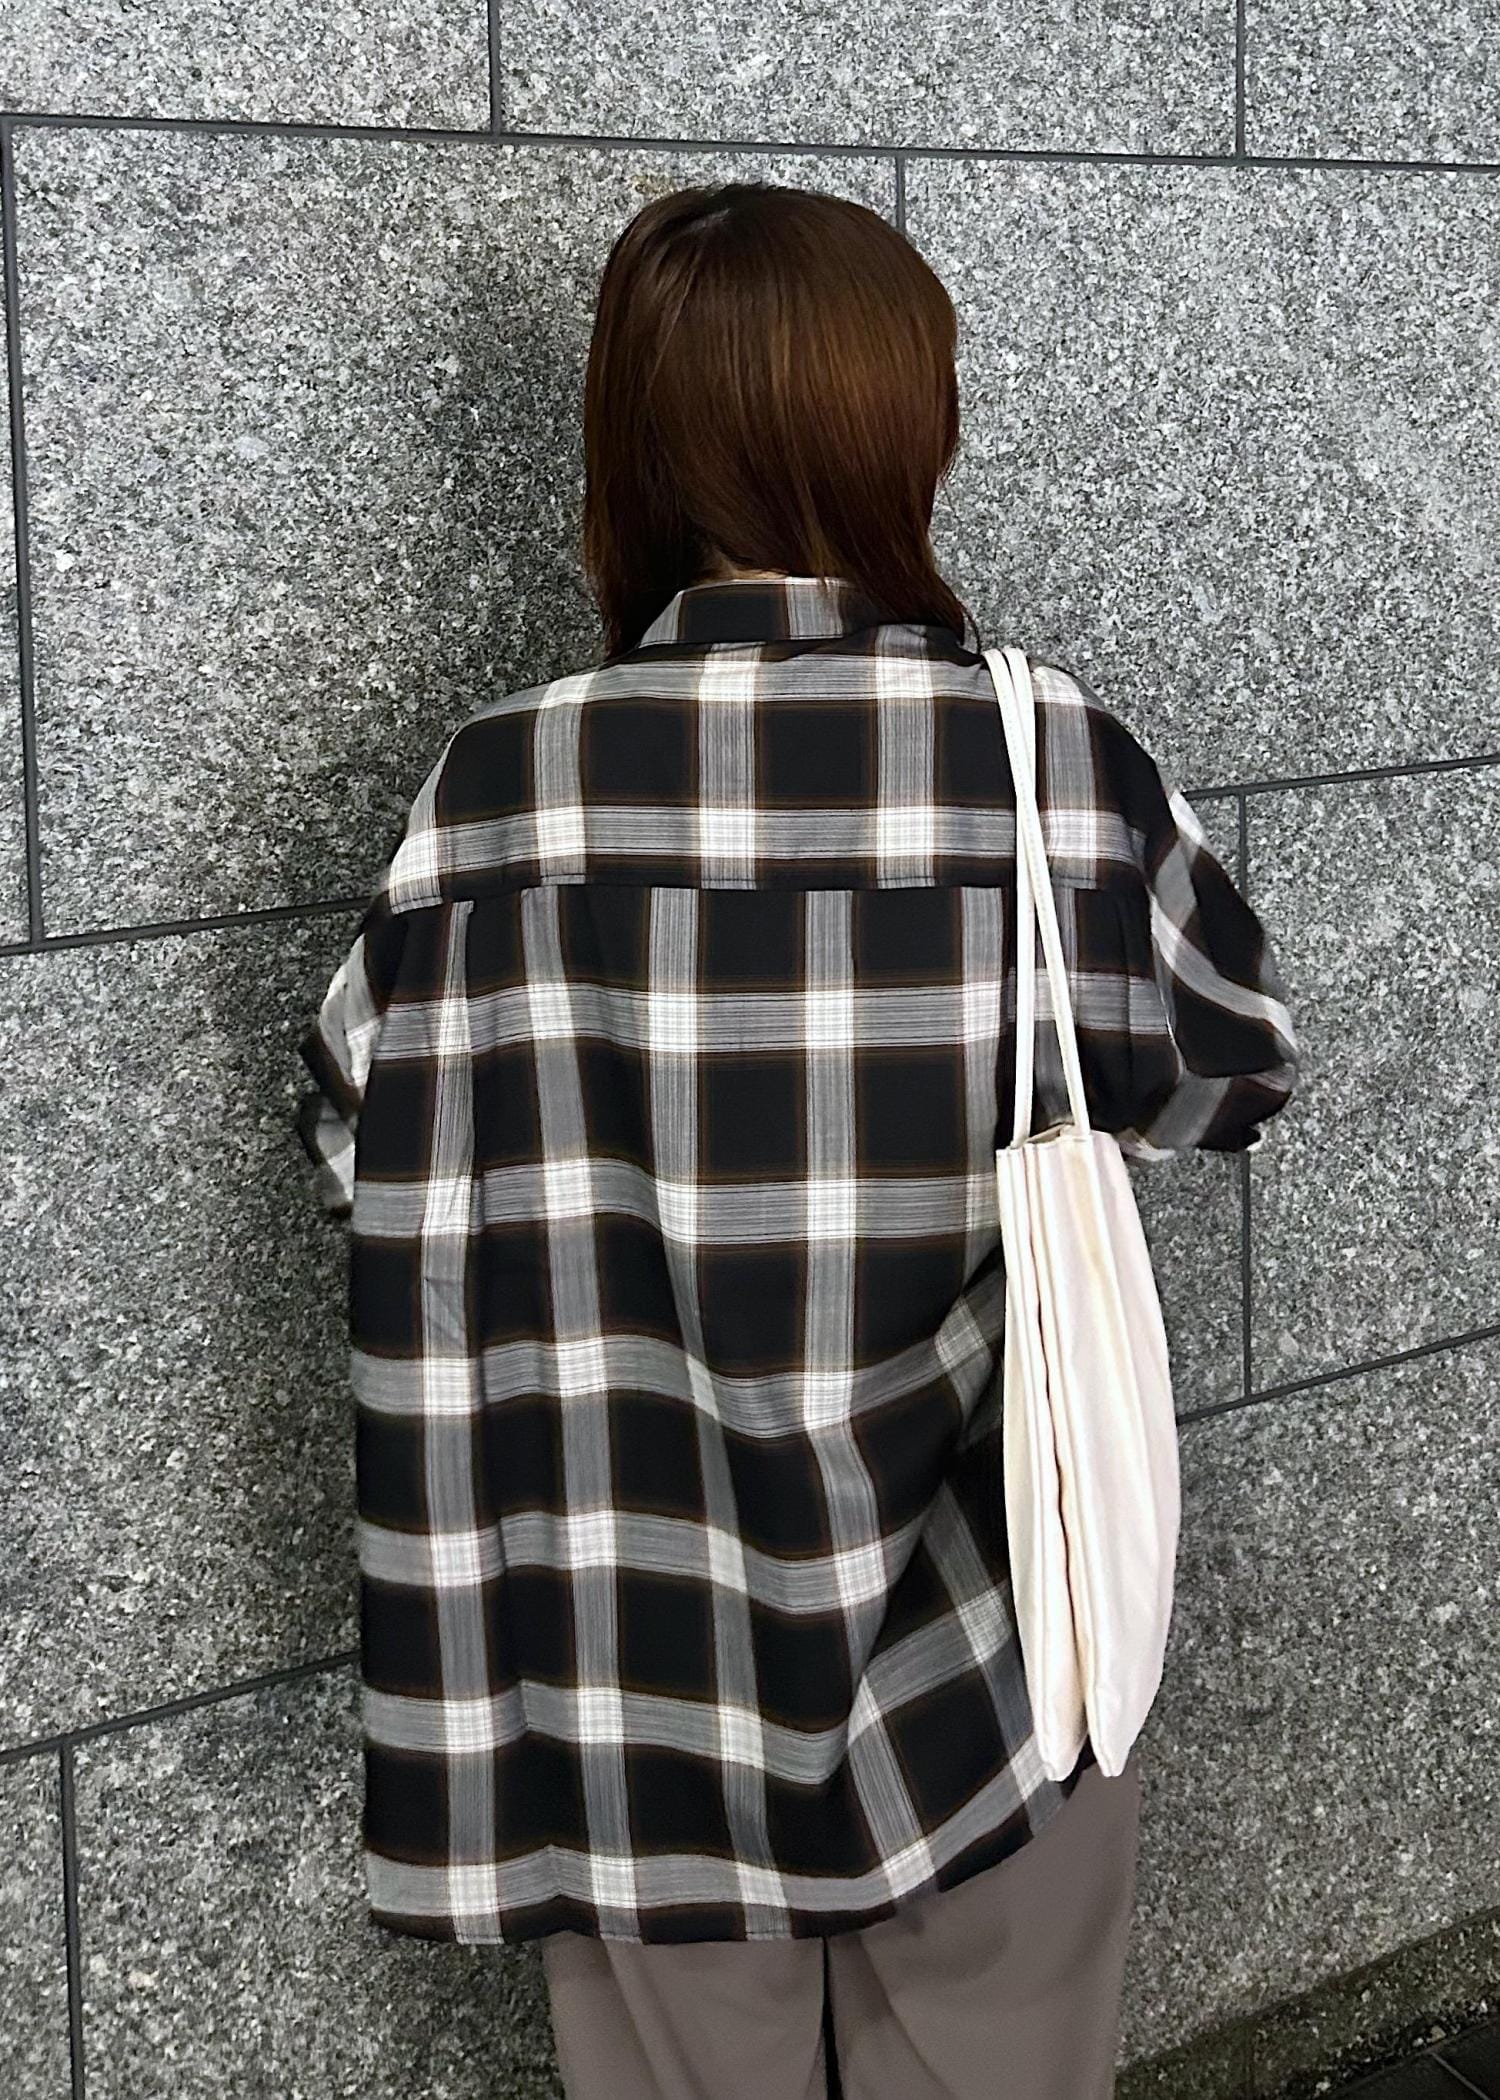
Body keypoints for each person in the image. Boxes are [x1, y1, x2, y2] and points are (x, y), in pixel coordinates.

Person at [295, 182, 1299, 2099]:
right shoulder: (1043, 762)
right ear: (901, 430)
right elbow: (1230, 1073)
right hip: (995, 1634)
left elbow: (366, 1143)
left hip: (630, 1655)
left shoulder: (500, 792)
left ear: (631, 450)